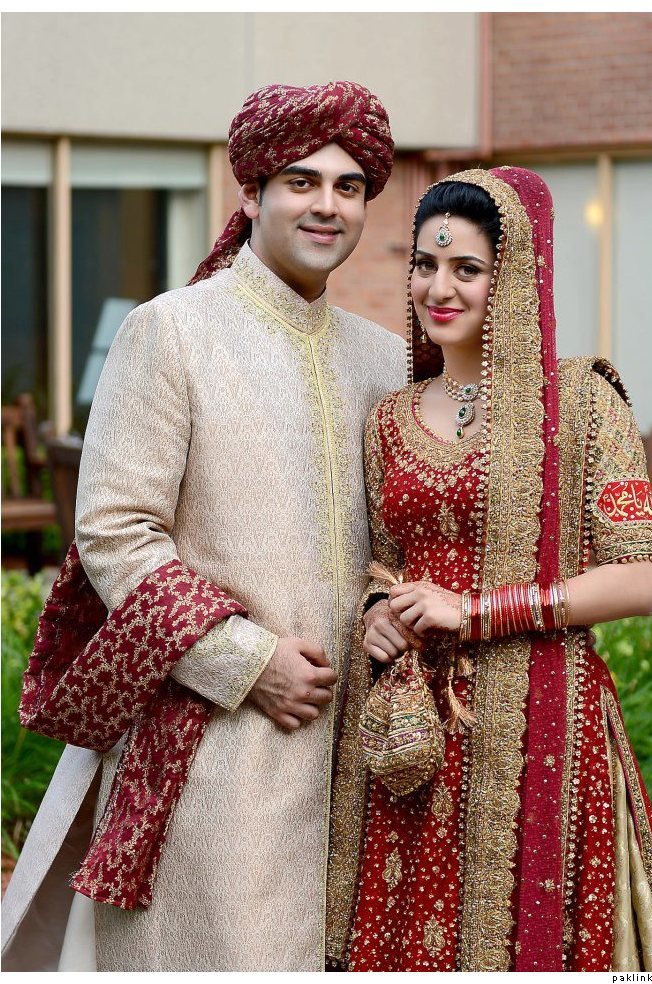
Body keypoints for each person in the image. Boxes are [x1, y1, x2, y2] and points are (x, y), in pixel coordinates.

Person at [1, 81, 405, 973]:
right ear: (252, 193)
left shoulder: (384, 357)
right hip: (217, 743)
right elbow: (115, 530)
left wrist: (388, 607)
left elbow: (401, 537)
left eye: (348, 187)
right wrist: (245, 661)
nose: (327, 205)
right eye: (302, 182)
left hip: (365, 750)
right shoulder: (172, 333)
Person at [326, 167, 652, 973]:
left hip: (542, 727)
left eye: (467, 268)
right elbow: (383, 564)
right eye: (425, 264)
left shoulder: (581, 402)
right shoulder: (387, 419)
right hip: (412, 739)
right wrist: (378, 612)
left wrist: (475, 612)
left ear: (514, 277)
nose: (438, 288)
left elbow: (639, 579)